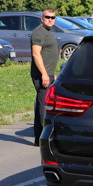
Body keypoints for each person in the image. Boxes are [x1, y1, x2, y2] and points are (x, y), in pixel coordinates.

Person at [30, 8, 59, 146]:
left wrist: (51, 73)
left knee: (41, 105)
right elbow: (36, 54)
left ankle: (39, 139)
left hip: (48, 74)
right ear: (42, 18)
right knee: (43, 105)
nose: (50, 19)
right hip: (42, 76)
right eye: (47, 17)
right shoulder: (39, 32)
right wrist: (44, 74)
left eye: (52, 17)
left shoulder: (47, 32)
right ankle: (43, 138)